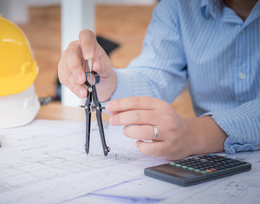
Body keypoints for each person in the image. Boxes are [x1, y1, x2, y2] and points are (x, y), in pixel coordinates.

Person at [58, 0, 260, 160]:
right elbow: (154, 77)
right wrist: (107, 82)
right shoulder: (177, 6)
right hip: (210, 165)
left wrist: (196, 134)